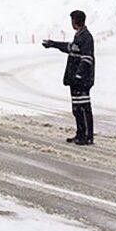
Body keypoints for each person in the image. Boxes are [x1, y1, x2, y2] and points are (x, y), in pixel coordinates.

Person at [42, 10, 95, 145]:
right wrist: (53, 44)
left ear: (76, 21)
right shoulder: (79, 36)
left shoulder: (86, 37)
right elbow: (69, 47)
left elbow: (87, 59)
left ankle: (87, 136)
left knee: (83, 108)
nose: (71, 23)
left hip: (82, 81)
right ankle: (80, 134)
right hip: (76, 80)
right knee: (76, 108)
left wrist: (79, 74)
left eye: (72, 20)